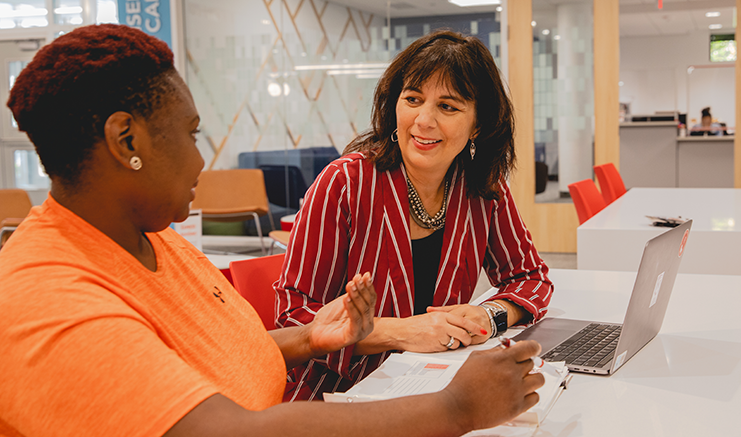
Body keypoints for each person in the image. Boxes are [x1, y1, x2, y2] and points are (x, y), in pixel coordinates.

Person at [0, 25, 546, 436]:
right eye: (191, 136)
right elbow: (223, 431)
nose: (201, 163)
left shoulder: (153, 240)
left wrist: (310, 338)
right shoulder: (47, 296)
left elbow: (230, 350)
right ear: (126, 142)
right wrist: (454, 408)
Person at [276, 30, 554, 401]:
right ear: (394, 106)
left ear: (478, 125)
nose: (423, 120)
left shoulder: (482, 187)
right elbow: (293, 319)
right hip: (338, 397)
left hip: (435, 387)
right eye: (413, 99)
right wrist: (401, 331)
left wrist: (491, 316)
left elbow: (530, 277)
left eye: (448, 106)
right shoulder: (344, 183)